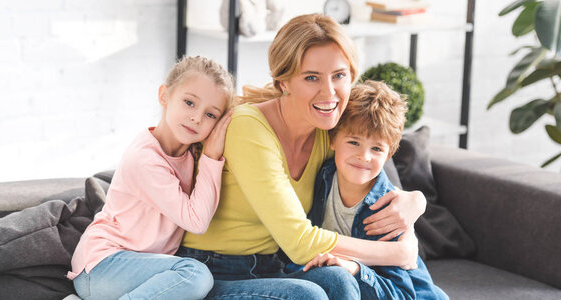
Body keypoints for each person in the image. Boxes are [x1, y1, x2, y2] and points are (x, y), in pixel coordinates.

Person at [177, 14, 427, 299]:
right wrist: (398, 253)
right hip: (211, 272)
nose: (329, 92)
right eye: (311, 78)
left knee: (340, 279)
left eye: (339, 76)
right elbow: (299, 242)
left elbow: (373, 178)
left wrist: (415, 201)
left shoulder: (327, 129)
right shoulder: (248, 128)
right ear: (284, 82)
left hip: (273, 268)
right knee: (308, 296)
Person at [67, 56, 234, 300]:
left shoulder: (188, 154)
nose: (197, 118)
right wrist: (212, 155)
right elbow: (196, 221)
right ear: (164, 96)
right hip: (101, 266)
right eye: (189, 102)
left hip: (141, 268)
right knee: (196, 275)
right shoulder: (145, 159)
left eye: (210, 115)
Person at [292, 81, 448, 299]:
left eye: (376, 148)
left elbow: (403, 294)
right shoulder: (321, 176)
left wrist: (354, 269)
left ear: (389, 153)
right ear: (333, 139)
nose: (363, 156)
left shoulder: (387, 212)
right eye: (354, 142)